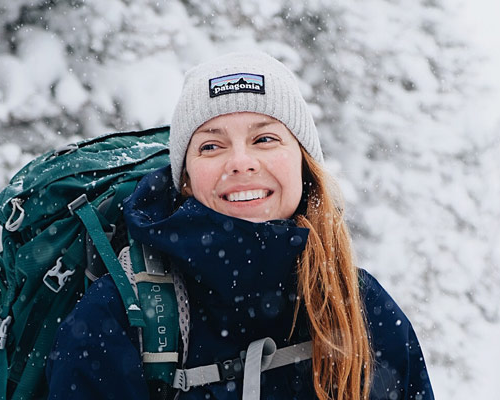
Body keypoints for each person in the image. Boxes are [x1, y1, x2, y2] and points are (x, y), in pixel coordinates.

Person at [46, 52, 434, 400]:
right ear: (185, 179)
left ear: (303, 163)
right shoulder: (119, 315)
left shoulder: (361, 308)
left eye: (264, 138)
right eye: (211, 146)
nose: (241, 162)